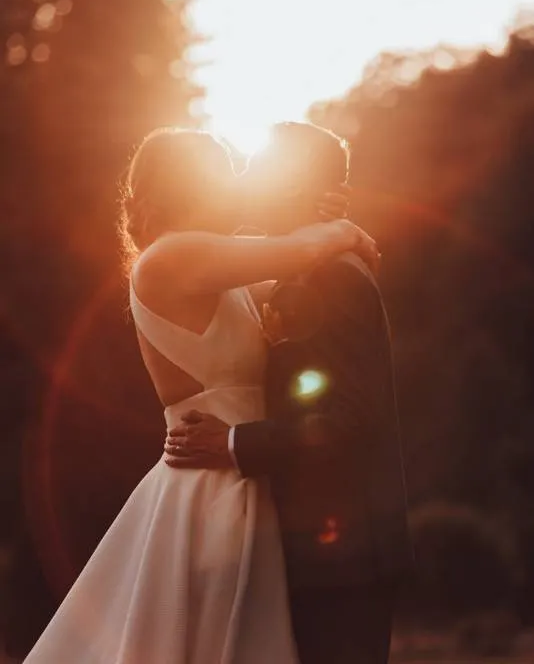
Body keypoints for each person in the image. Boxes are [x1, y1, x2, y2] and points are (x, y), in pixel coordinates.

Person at [23, 127, 371, 664]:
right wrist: (340, 229)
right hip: (216, 488)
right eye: (226, 170)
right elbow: (302, 252)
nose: (238, 182)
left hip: (242, 469)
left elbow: (303, 276)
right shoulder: (173, 256)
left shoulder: (214, 265)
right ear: (190, 183)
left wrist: (321, 222)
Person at [166, 121, 414, 664]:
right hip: (315, 549)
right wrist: (341, 228)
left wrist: (233, 442)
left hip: (345, 558)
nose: (246, 176)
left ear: (295, 182)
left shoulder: (335, 278)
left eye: (258, 165)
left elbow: (350, 416)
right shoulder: (301, 271)